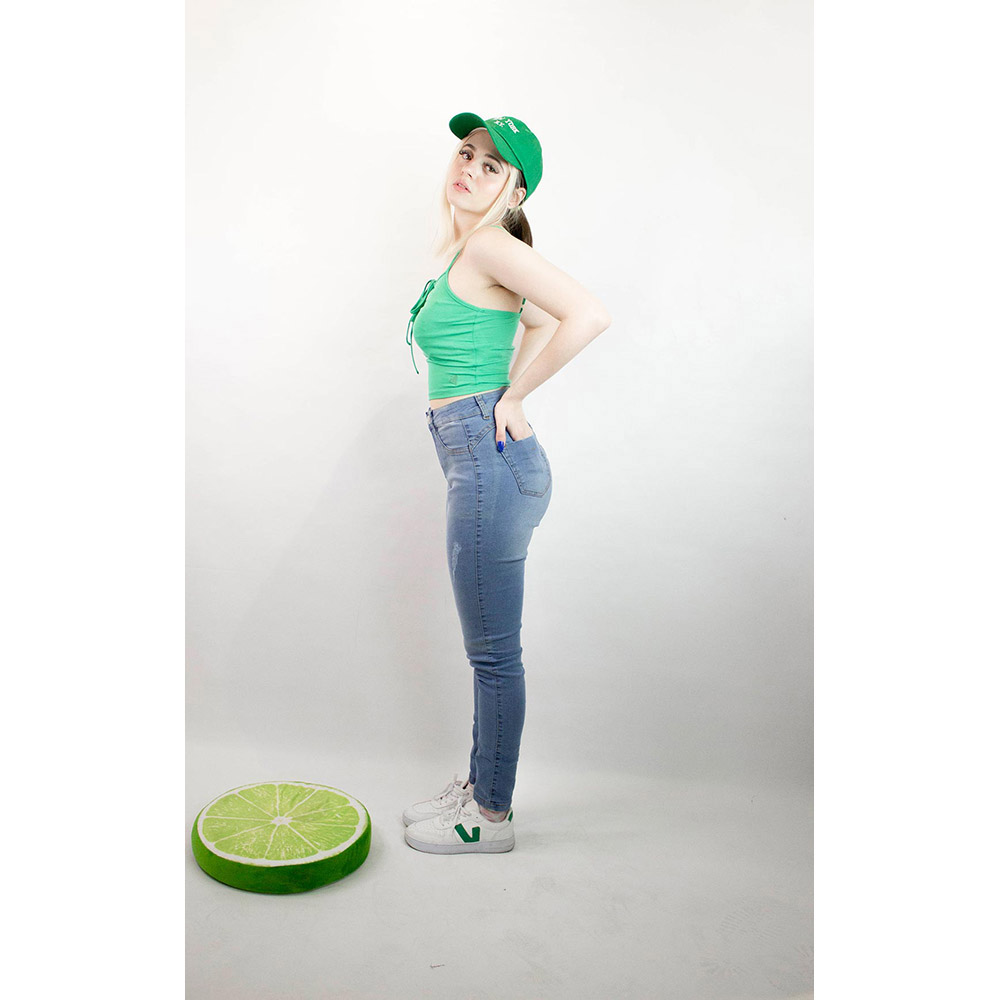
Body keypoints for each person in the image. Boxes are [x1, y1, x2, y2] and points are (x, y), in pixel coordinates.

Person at [401, 113, 612, 854]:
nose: (470, 168)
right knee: (488, 651)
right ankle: (479, 785)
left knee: (492, 656)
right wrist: (511, 387)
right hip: (477, 458)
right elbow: (538, 323)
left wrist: (514, 396)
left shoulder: (491, 244)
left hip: (488, 461)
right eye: (466, 153)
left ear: (515, 191)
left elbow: (586, 315)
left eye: (492, 165)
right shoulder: (473, 252)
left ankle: (489, 816)